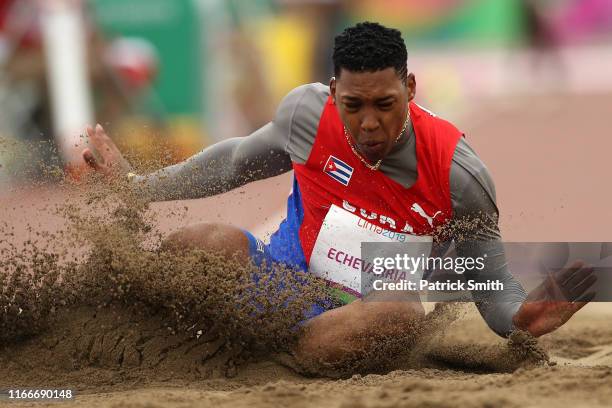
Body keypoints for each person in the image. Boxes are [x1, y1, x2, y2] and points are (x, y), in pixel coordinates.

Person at [82, 22, 596, 369]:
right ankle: (118, 332)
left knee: (400, 316)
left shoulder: (460, 177)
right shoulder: (306, 115)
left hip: (356, 318)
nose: (369, 123)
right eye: (353, 105)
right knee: (205, 241)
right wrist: (137, 188)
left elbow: (490, 284)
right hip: (279, 283)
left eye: (385, 104)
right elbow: (234, 163)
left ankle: (267, 360)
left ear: (411, 89)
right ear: (332, 92)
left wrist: (521, 321)